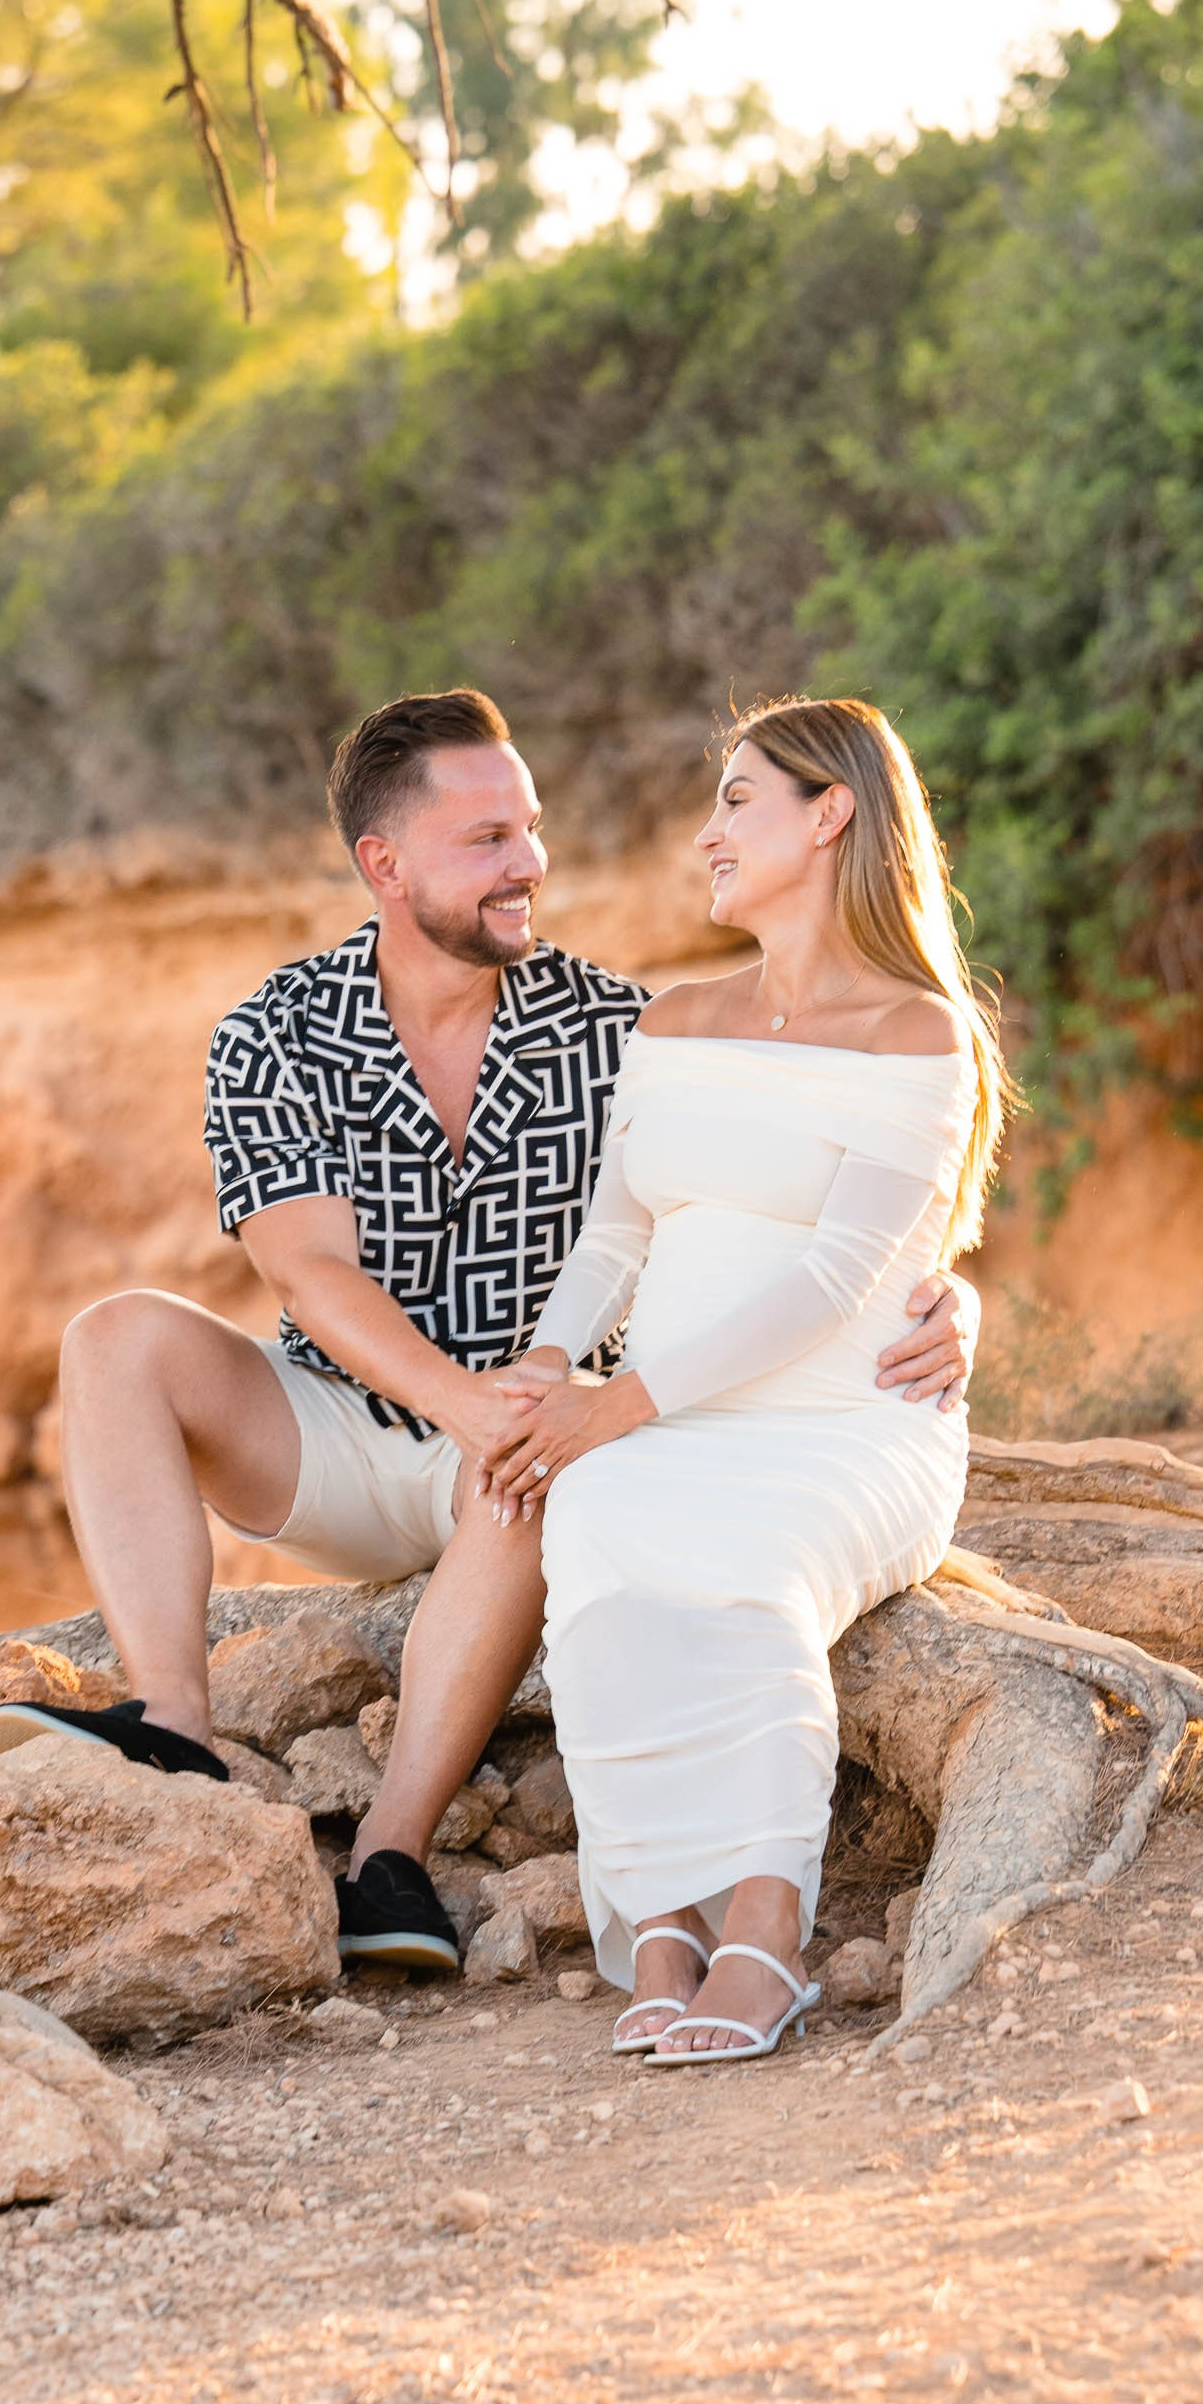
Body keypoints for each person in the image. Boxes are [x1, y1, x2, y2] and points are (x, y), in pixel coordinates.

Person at [0, 687, 977, 1978]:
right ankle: (174, 1719)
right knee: (117, 1336)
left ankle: (388, 1864)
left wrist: (953, 1296)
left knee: (533, 1467)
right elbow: (310, 1274)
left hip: (537, 1445)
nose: (530, 867)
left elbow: (797, 1189)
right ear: (383, 866)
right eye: (489, 842)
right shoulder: (274, 1035)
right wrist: (465, 1400)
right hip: (352, 1429)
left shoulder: (619, 1026)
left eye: (532, 829)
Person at [484, 695, 1012, 2062]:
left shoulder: (916, 1034)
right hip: (668, 1415)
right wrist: (551, 1366)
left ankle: (767, 1936)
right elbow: (620, 1225)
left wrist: (622, 1405)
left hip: (847, 1426)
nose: (709, 832)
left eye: (737, 798)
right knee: (598, 1524)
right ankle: (664, 1929)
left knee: (749, 1564)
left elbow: (843, 1277)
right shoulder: (677, 1018)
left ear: (830, 811)